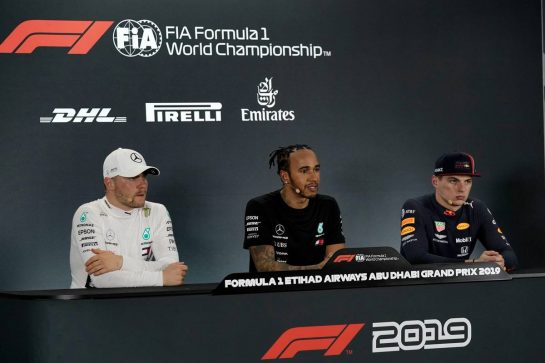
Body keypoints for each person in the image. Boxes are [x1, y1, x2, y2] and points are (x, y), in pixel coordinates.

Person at [70, 148, 188, 288]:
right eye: (132, 177)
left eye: (144, 176)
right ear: (109, 183)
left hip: (140, 305)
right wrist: (161, 277)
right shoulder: (88, 213)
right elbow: (102, 280)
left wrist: (120, 262)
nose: (142, 184)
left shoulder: (158, 211)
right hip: (92, 305)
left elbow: (172, 267)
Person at [400, 152, 517, 271]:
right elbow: (415, 257)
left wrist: (500, 261)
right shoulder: (415, 206)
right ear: (435, 181)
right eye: (453, 181)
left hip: (460, 286)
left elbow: (509, 255)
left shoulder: (476, 208)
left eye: (467, 181)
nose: (462, 189)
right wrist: (473, 265)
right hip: (421, 286)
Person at [243, 144, 346, 272]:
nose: (314, 177)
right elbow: (264, 267)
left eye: (316, 169)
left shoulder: (328, 205)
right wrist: (317, 269)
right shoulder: (259, 207)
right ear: (285, 176)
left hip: (317, 290)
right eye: (304, 171)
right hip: (273, 291)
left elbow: (337, 263)